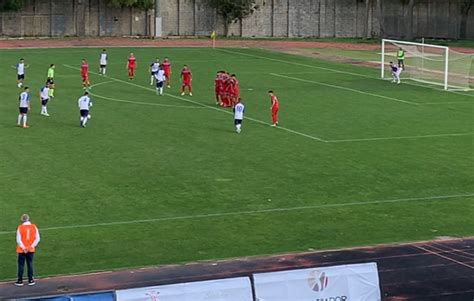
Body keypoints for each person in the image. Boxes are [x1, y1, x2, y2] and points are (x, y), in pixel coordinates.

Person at [15, 214, 40, 286]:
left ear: (22, 220)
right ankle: (31, 280)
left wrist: (24, 248)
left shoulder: (20, 227)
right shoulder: (34, 227)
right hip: (30, 250)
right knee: (30, 264)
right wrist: (30, 247)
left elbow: (18, 240)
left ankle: (20, 281)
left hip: (21, 250)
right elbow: (37, 239)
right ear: (28, 219)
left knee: (21, 265)